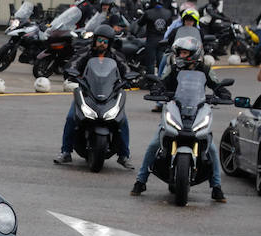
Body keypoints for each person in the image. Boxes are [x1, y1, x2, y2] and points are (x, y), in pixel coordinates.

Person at [131, 31, 229, 202]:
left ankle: (216, 187)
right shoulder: (174, 68)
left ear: (194, 54)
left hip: (197, 109)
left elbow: (217, 85)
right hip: (176, 108)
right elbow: (162, 82)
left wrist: (223, 92)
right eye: (179, 53)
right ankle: (141, 180)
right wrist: (157, 89)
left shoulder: (205, 69)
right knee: (155, 143)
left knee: (211, 147)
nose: (180, 56)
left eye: (184, 53)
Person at [55, 23, 133, 169]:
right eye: (100, 40)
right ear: (95, 40)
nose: (102, 44)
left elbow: (125, 67)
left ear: (109, 43)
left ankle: (124, 155)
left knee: (123, 121)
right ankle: (65, 152)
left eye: (105, 41)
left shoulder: (115, 55)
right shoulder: (86, 52)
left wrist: (129, 77)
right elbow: (74, 63)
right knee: (71, 117)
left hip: (110, 94)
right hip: (87, 93)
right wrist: (72, 72)